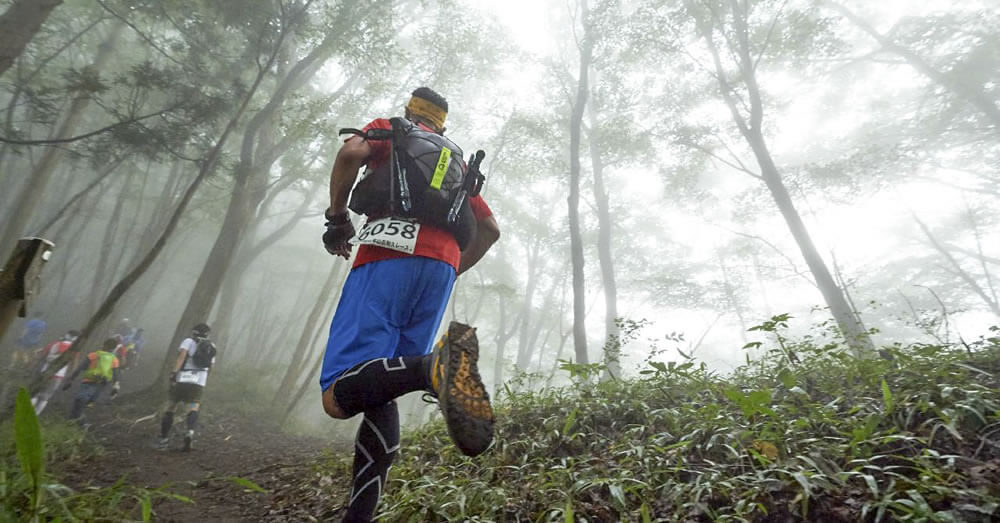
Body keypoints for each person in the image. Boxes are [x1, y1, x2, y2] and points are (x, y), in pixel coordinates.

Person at [319, 87, 500, 522]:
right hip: (440, 268)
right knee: (382, 388)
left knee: (337, 394)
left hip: (386, 255)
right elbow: (489, 229)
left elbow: (350, 154)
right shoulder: (453, 160)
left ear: (410, 112)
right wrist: (448, 268)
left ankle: (431, 368)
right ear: (443, 124)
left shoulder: (391, 131)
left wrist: (338, 219)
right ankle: (358, 517)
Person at [158, 323, 216, 451]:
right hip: (199, 380)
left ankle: (164, 440)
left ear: (194, 332)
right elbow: (211, 367)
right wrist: (204, 380)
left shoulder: (188, 341)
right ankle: (190, 431)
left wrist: (174, 373)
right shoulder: (211, 346)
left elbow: (182, 356)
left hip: (183, 377)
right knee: (193, 408)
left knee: (171, 407)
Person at [63, 338, 121, 426]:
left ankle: (83, 423)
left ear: (104, 345)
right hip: (102, 384)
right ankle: (73, 421)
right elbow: (116, 374)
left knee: (79, 401)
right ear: (113, 348)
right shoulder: (115, 360)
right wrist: (116, 386)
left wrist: (71, 379)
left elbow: (80, 368)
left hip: (89, 381)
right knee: (85, 402)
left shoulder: (93, 355)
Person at [31, 329, 80, 414]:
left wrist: (33, 366)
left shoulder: (55, 344)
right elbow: (74, 364)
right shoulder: (75, 350)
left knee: (36, 393)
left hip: (44, 372)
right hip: (58, 376)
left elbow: (38, 354)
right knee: (46, 397)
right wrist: (71, 377)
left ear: (66, 335)